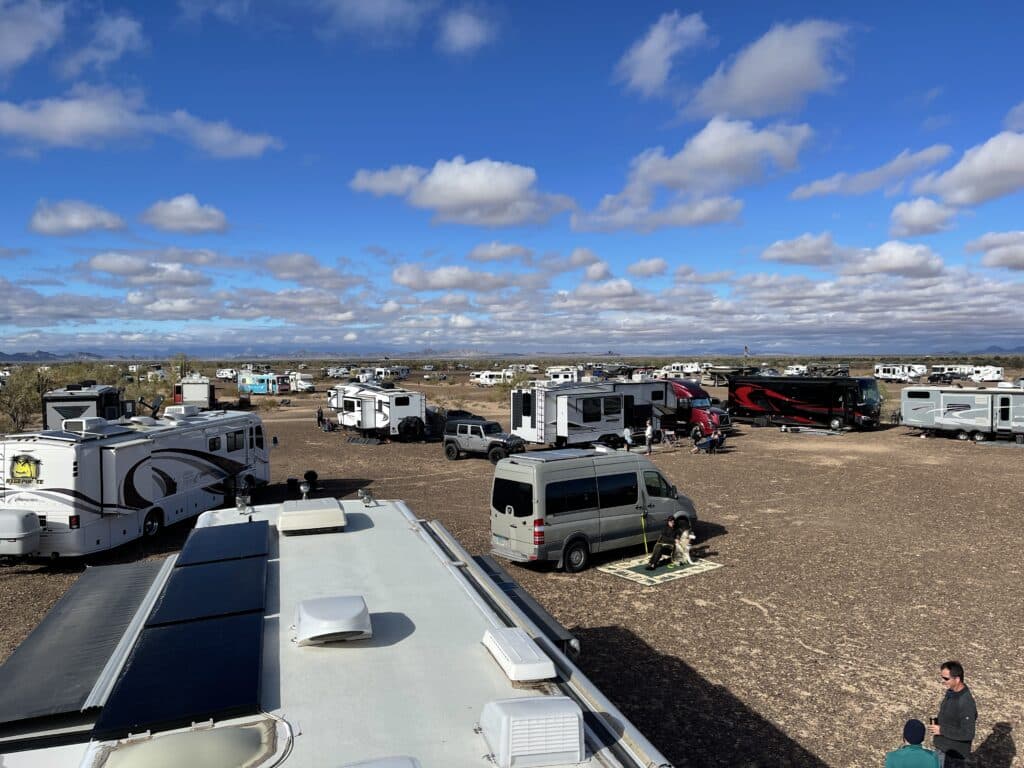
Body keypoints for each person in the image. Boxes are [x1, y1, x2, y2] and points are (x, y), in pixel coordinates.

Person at [930, 661, 977, 766]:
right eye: (942, 677)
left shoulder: (966, 703)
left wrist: (941, 730)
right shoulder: (951, 692)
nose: (943, 681)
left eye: (946, 678)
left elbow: (968, 733)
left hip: (953, 756)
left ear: (957, 679)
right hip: (943, 749)